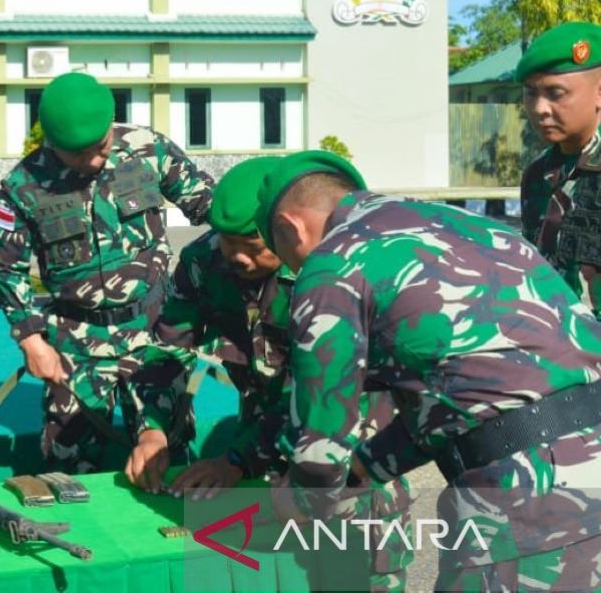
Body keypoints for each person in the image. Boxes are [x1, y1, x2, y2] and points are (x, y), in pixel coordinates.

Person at [258, 150, 601, 590]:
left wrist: (302, 497)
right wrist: (363, 473)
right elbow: (461, 404)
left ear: (290, 226)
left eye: (287, 257)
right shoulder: (473, 226)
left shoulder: (333, 262)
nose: (295, 271)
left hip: (524, 500)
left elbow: (321, 444)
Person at [163, 155, 411, 592]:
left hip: (347, 450)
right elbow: (168, 347)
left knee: (360, 576)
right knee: (266, 573)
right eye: (227, 241)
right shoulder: (204, 262)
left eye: (252, 244)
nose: (236, 256)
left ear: (283, 227)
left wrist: (238, 460)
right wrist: (153, 429)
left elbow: (322, 393)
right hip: (260, 450)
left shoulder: (335, 273)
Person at [0, 71, 212, 490]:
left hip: (155, 330)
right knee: (69, 467)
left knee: (169, 452)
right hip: (76, 342)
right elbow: (6, 267)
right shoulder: (23, 185)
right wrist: (32, 341)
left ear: (112, 124)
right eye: (78, 153)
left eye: (101, 147)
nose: (93, 160)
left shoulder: (147, 150)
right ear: (51, 141)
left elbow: (210, 208)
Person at [518, 21, 601, 315]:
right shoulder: (537, 174)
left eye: (556, 93)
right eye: (531, 93)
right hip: (556, 346)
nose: (540, 108)